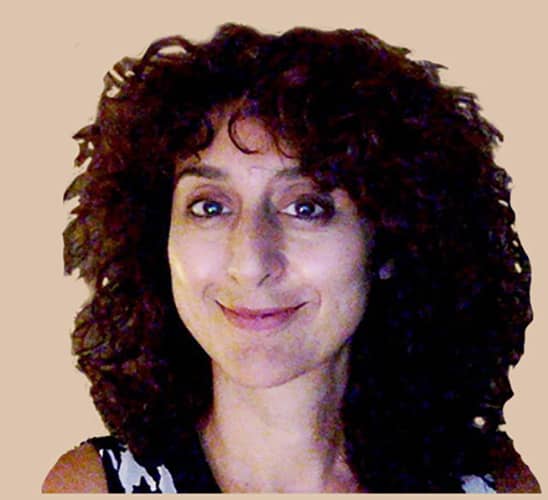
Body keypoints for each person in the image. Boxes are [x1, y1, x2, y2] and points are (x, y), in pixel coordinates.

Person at [42, 23, 540, 493]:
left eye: (306, 207)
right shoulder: (90, 487)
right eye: (210, 207)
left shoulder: (495, 487)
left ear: (390, 239)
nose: (250, 262)